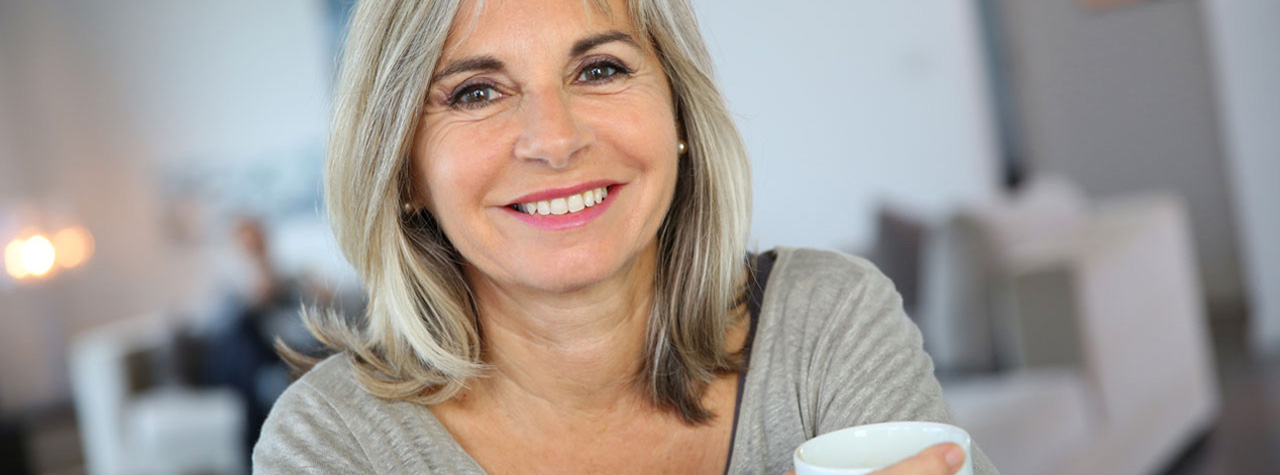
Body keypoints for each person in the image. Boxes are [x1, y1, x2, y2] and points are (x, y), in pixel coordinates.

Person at [253, 0, 1000, 474]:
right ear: (404, 168)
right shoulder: (333, 442)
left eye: (600, 68)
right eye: (476, 92)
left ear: (678, 115)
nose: (554, 139)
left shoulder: (826, 322)